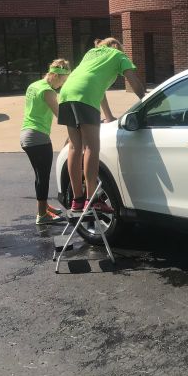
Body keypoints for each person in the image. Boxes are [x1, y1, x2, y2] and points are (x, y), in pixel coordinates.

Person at [58, 37, 146, 215]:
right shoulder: (119, 56)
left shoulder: (92, 53)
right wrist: (145, 100)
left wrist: (109, 116)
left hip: (66, 94)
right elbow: (134, 83)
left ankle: (77, 200)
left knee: (74, 147)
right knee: (91, 147)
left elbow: (97, 88)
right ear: (118, 48)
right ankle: (93, 200)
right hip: (85, 96)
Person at [20, 59, 72, 234]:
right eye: (63, 80)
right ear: (55, 75)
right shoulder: (48, 91)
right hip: (38, 137)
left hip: (26, 134)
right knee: (42, 177)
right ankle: (42, 215)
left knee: (39, 175)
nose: (62, 84)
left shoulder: (34, 85)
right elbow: (61, 116)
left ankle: (44, 206)